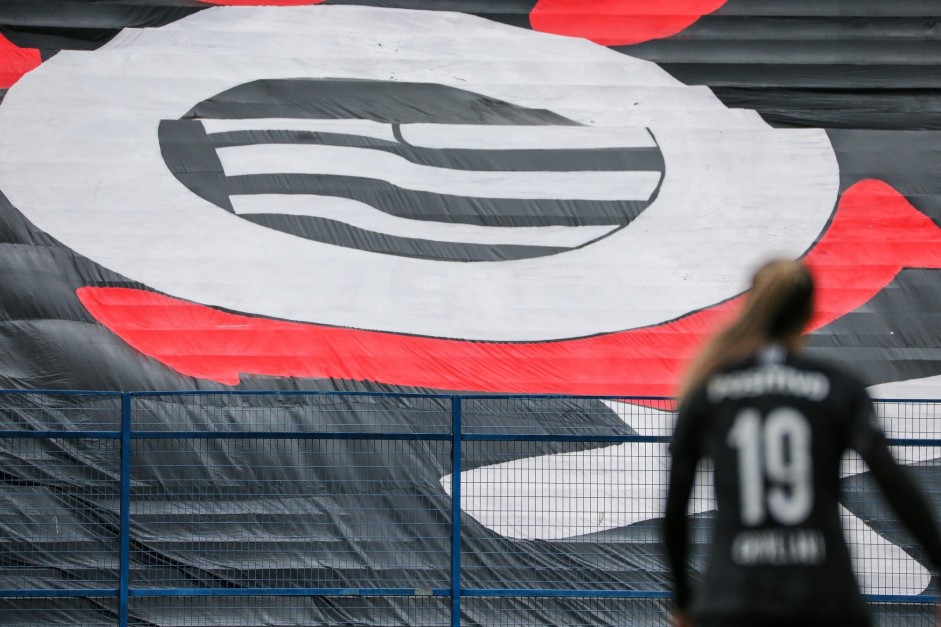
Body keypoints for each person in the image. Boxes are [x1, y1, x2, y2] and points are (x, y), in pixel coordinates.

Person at [663, 259, 941, 627]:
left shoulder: (710, 390)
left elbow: (675, 511)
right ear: (810, 312)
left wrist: (684, 600)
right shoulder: (837, 386)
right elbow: (894, 484)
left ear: (751, 307)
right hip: (825, 595)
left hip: (733, 596)